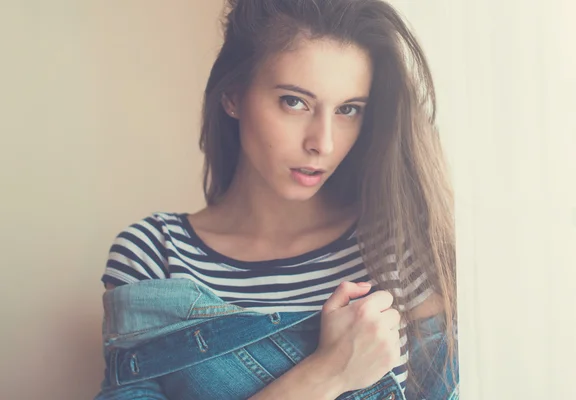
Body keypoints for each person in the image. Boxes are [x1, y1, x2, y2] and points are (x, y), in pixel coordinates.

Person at [95, 0, 458, 399]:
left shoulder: (395, 249)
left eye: (348, 109)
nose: (323, 142)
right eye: (294, 102)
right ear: (233, 95)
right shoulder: (155, 254)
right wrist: (328, 373)